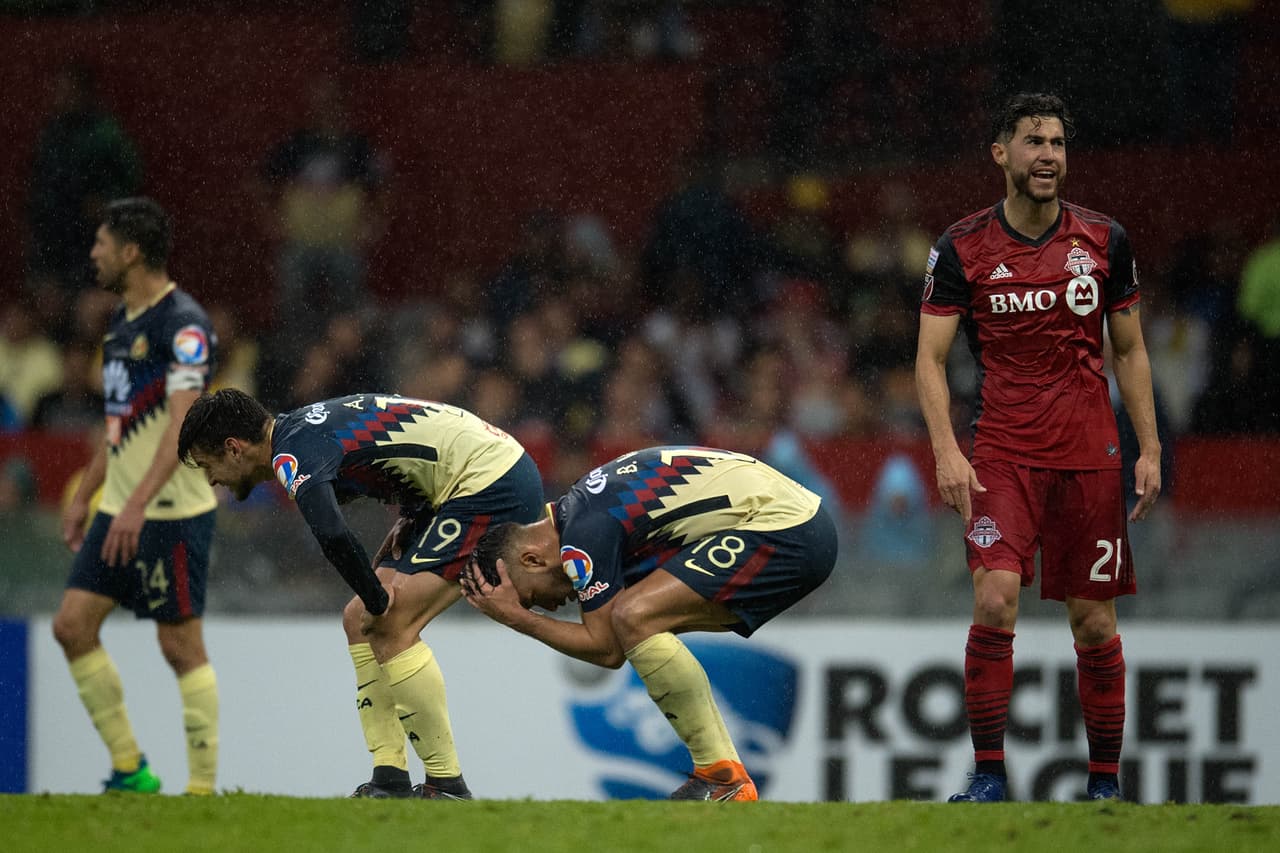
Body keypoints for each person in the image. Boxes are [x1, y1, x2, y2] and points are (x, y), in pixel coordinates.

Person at [914, 93, 1161, 803]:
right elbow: (928, 359)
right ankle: (989, 774)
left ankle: (1105, 785)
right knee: (994, 596)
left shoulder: (1104, 239)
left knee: (1093, 619)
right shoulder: (960, 246)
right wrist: (945, 449)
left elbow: (1133, 349)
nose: (1048, 154)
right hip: (1002, 454)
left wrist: (1150, 448)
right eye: (1033, 141)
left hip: (1090, 455)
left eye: (1057, 142)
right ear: (1002, 154)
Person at [176, 388, 544, 799]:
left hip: (490, 482)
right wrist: (411, 517)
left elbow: (331, 533)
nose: (211, 481)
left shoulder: (291, 454)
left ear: (234, 448)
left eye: (209, 466)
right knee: (357, 619)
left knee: (390, 621)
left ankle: (447, 786)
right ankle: (389, 778)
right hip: (460, 484)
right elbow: (408, 444)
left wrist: (377, 597)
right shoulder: (300, 429)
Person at [462, 445, 839, 801]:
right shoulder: (581, 511)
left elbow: (605, 649)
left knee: (633, 617)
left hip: (786, 528)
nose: (552, 603)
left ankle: (721, 777)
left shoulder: (582, 536)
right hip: (798, 521)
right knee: (636, 621)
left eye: (532, 596)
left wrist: (521, 619)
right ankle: (721, 778)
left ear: (531, 560)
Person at [51, 197, 220, 795]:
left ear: (131, 251)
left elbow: (181, 427)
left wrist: (135, 504)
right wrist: (86, 495)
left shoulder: (184, 326)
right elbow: (118, 423)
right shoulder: (121, 324)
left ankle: (201, 791)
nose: (93, 253)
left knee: (179, 645)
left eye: (101, 243)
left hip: (170, 512)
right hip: (118, 509)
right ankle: (130, 770)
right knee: (72, 626)